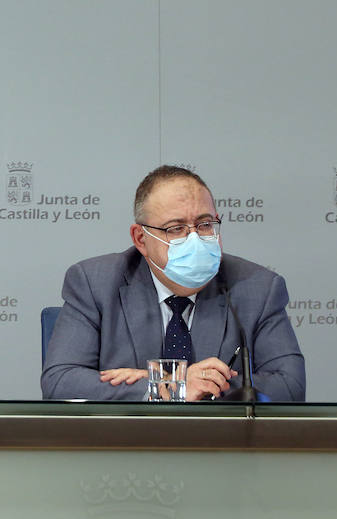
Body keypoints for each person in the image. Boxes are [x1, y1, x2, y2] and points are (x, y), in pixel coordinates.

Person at [41, 165, 305, 401]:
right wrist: (168, 385)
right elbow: (61, 382)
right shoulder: (94, 282)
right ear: (140, 239)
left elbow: (290, 387)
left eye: (204, 224)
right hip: (123, 447)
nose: (195, 239)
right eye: (175, 228)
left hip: (221, 448)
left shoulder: (258, 288)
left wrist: (195, 383)